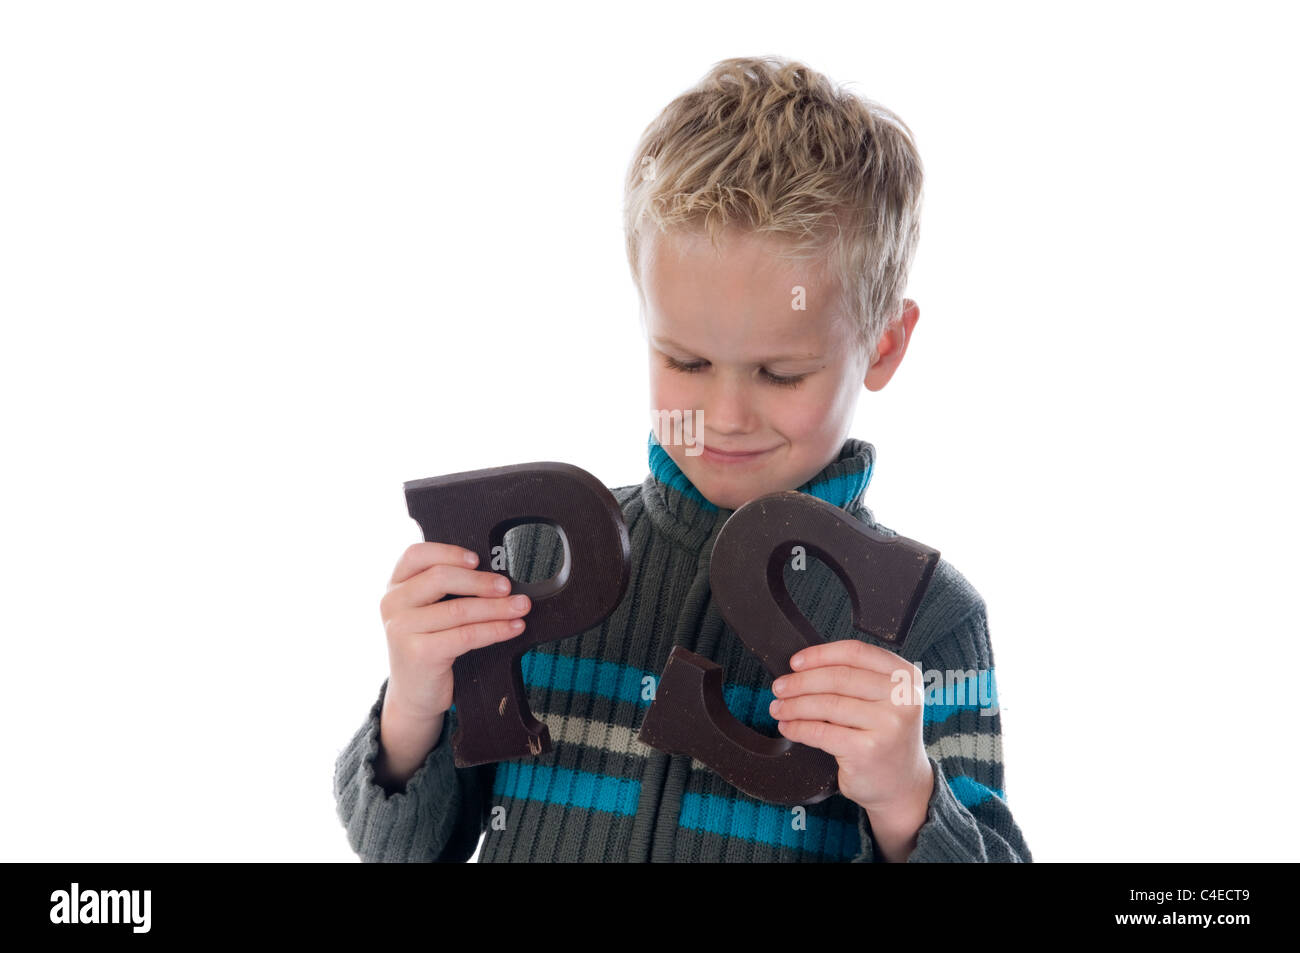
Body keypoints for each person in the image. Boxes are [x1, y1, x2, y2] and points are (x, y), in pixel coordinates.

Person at [333, 54, 1031, 862]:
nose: (723, 417)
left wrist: (909, 800)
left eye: (780, 372)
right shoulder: (530, 558)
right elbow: (405, 849)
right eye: (687, 362)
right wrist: (412, 710)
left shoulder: (931, 623)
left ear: (885, 343)